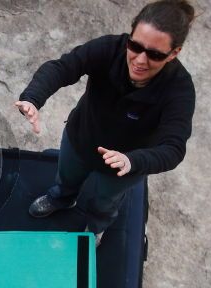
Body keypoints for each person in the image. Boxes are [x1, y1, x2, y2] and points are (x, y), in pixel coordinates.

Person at [15, 0, 196, 246]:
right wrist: (33, 98)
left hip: (124, 165)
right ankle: (62, 198)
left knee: (106, 202)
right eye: (135, 46)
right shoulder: (108, 48)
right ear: (130, 35)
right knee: (66, 179)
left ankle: (96, 228)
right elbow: (63, 67)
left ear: (174, 53)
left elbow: (173, 148)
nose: (140, 60)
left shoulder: (180, 90)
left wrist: (133, 161)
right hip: (80, 138)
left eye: (154, 54)